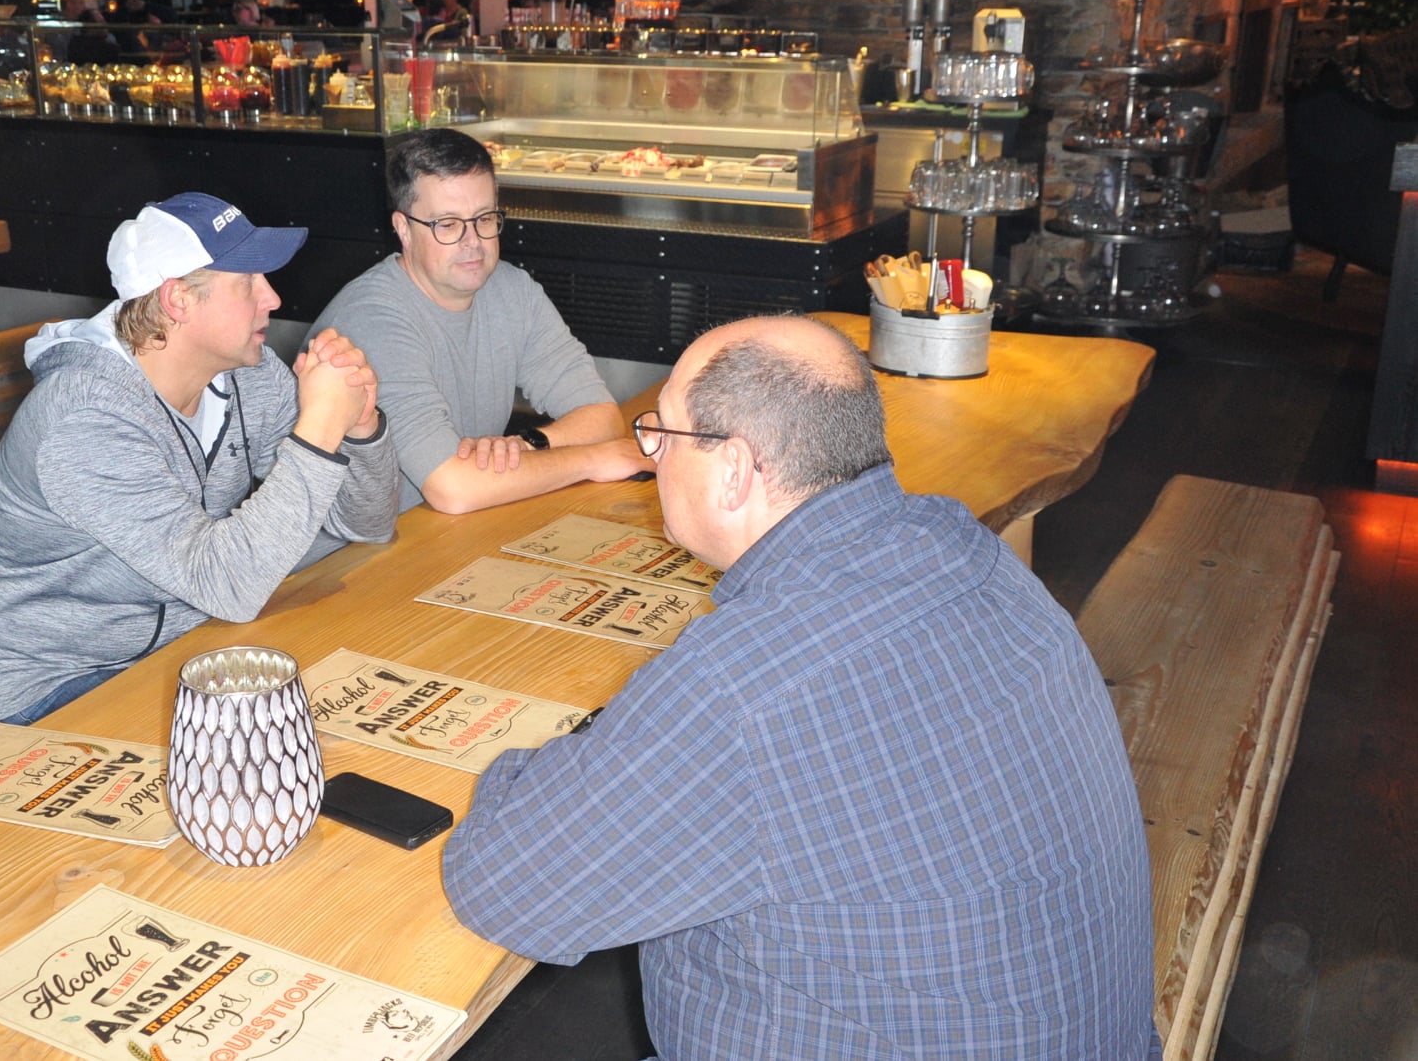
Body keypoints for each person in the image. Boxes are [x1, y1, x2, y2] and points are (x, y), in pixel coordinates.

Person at [442, 314, 1157, 1060]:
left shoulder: (739, 689)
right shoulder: (963, 544)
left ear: (734, 469)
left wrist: (586, 752)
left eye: (662, 435)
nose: (652, 457)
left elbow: (504, 885)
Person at [0, 193, 399, 725]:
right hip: (65, 684)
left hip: (199, 637)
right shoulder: (84, 419)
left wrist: (359, 427)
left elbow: (368, 524)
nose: (273, 297)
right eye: (248, 282)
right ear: (178, 300)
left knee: (379, 685)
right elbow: (230, 584)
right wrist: (321, 427)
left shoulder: (250, 374)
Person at [309, 128, 650, 515]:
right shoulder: (373, 320)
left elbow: (603, 416)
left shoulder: (512, 289)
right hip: (359, 546)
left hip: (453, 524)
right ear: (403, 229)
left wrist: (528, 445)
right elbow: (453, 488)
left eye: (484, 218)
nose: (472, 241)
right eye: (448, 224)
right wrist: (592, 460)